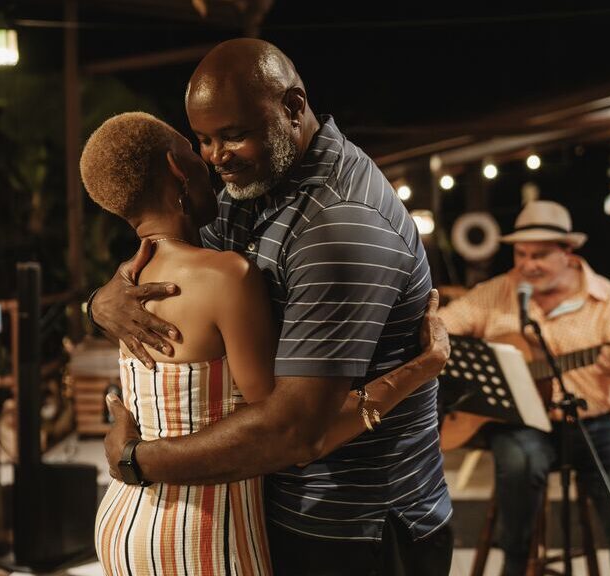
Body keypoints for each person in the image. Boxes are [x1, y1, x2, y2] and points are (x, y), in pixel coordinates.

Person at [89, 39, 453, 575]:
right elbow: (174, 266)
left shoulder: (338, 224)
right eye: (204, 140)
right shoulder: (252, 188)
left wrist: (137, 460)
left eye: (234, 134)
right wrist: (99, 302)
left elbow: (296, 430)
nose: (217, 156)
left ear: (293, 107)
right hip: (261, 515)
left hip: (355, 528)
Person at [438, 200, 610, 576]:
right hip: (519, 424)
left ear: (567, 252)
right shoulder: (497, 291)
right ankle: (516, 563)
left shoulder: (605, 298)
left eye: (539, 255)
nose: (527, 265)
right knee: (520, 465)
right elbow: (441, 327)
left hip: (592, 423)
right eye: (520, 254)